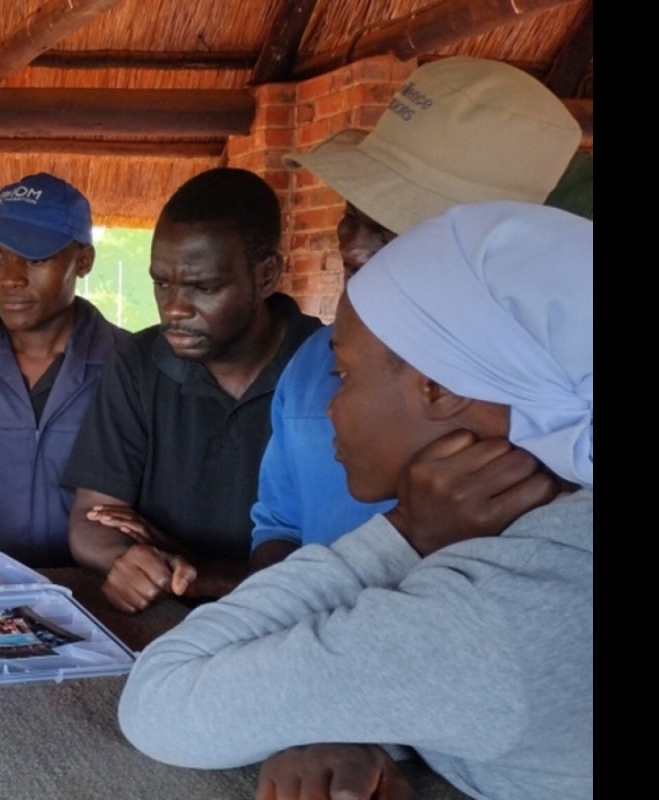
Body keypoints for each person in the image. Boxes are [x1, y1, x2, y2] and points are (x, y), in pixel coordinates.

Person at [118, 201, 593, 800]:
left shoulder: (500, 609)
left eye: (343, 374)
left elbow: (161, 700)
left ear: (439, 389)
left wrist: (401, 536)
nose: (331, 406)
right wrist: (345, 714)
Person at [249, 56, 583, 573]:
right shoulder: (315, 365)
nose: (354, 247)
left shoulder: (565, 421)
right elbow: (280, 525)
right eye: (351, 216)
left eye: (393, 228)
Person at [64, 167, 322, 612]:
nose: (175, 309)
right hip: (167, 620)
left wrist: (202, 574)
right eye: (162, 283)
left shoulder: (326, 369)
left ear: (265, 276)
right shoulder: (137, 363)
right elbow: (93, 519)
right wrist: (128, 561)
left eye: (204, 287)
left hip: (298, 625)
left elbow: (339, 558)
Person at [0, 172, 129, 567]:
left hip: (90, 599)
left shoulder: (127, 364)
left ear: (83, 261)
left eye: (35, 258)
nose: (11, 278)